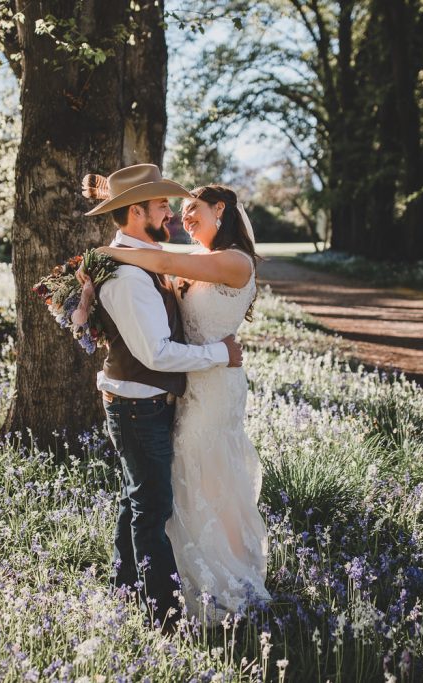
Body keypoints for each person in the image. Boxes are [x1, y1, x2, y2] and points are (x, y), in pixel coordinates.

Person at [93, 183, 272, 624]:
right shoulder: (200, 260)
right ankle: (167, 576)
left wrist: (108, 253)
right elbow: (164, 272)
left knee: (204, 473)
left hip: (214, 386)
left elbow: (164, 260)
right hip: (189, 382)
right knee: (178, 479)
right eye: (178, 210)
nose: (184, 217)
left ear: (221, 208)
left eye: (193, 209)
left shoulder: (233, 260)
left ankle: (217, 574)